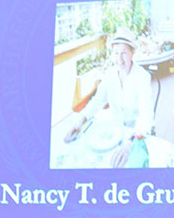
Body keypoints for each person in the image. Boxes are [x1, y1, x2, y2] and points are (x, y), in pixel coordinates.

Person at [64, 27, 154, 167]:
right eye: (116, 53)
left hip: (136, 134)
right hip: (115, 133)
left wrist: (131, 142)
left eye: (124, 53)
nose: (119, 59)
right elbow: (97, 101)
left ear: (133, 52)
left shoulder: (143, 78)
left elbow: (146, 117)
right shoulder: (110, 74)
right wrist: (79, 121)